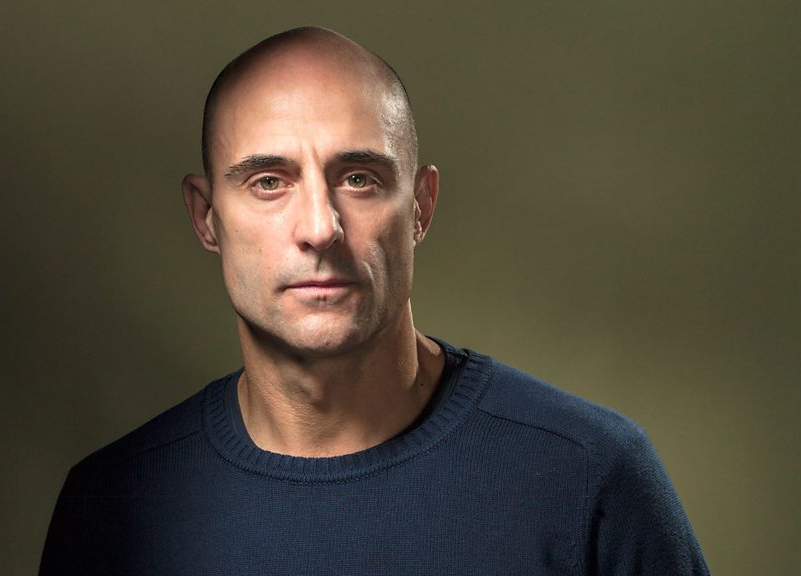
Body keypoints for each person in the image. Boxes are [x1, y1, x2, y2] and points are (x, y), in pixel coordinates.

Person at [39, 26, 710, 575]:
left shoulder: (590, 478)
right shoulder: (108, 505)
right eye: (269, 181)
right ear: (206, 215)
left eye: (359, 178)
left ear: (420, 206)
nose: (319, 227)